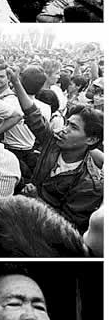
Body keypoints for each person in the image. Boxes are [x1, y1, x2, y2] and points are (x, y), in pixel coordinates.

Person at [7, 69, 103, 234]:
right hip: (24, 214)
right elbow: (33, 115)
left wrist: (37, 200)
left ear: (91, 140)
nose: (63, 130)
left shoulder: (90, 184)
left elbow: (69, 226)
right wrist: (16, 82)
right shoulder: (55, 143)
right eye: (67, 124)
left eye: (73, 127)